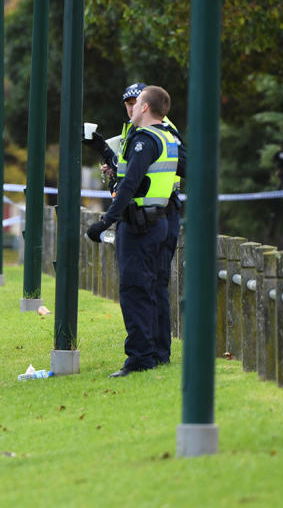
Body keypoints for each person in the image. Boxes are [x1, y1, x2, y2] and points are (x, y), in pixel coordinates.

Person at [84, 82, 186, 365]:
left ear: (145, 106)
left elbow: (132, 183)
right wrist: (105, 151)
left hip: (151, 219)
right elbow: (133, 175)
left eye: (135, 101)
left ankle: (142, 356)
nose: (130, 107)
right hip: (155, 217)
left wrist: (105, 221)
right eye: (127, 102)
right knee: (152, 288)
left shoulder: (152, 135)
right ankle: (157, 353)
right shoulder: (145, 133)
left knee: (137, 288)